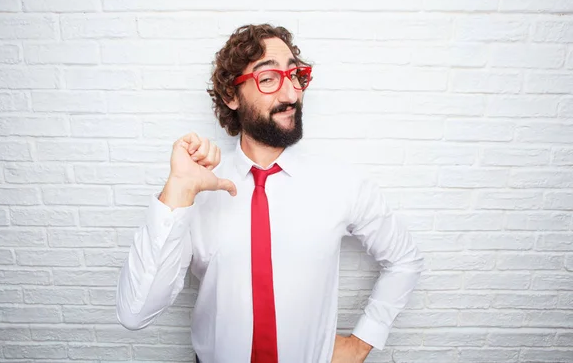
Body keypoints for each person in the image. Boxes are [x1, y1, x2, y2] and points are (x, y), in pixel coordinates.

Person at [116, 24, 424, 363]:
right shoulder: (197, 189)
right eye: (268, 79)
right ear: (231, 96)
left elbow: (404, 259)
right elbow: (135, 313)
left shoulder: (343, 183)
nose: (291, 94)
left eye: (295, 76)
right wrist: (177, 190)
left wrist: (362, 341)